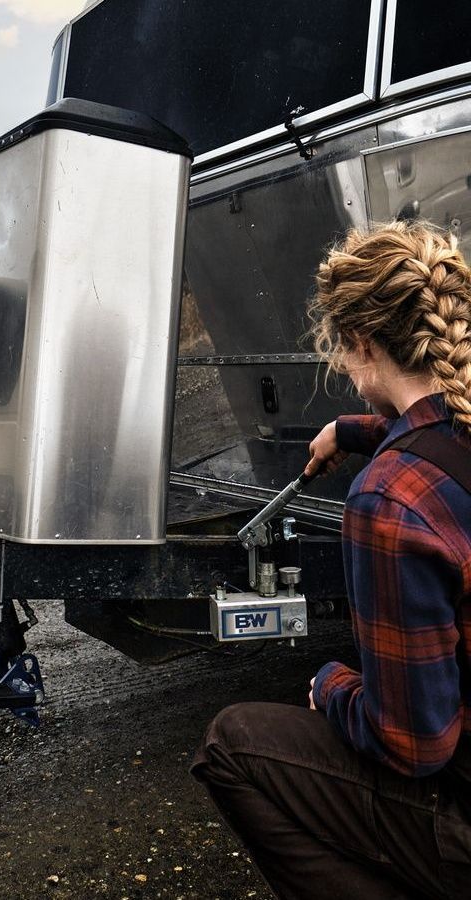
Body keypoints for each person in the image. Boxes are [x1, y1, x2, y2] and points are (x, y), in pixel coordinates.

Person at [191, 220, 471, 900]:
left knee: (233, 745)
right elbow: (434, 425)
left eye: (344, 355)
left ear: (364, 344)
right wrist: (352, 430)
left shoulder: (390, 499)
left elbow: (415, 745)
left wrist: (332, 688)